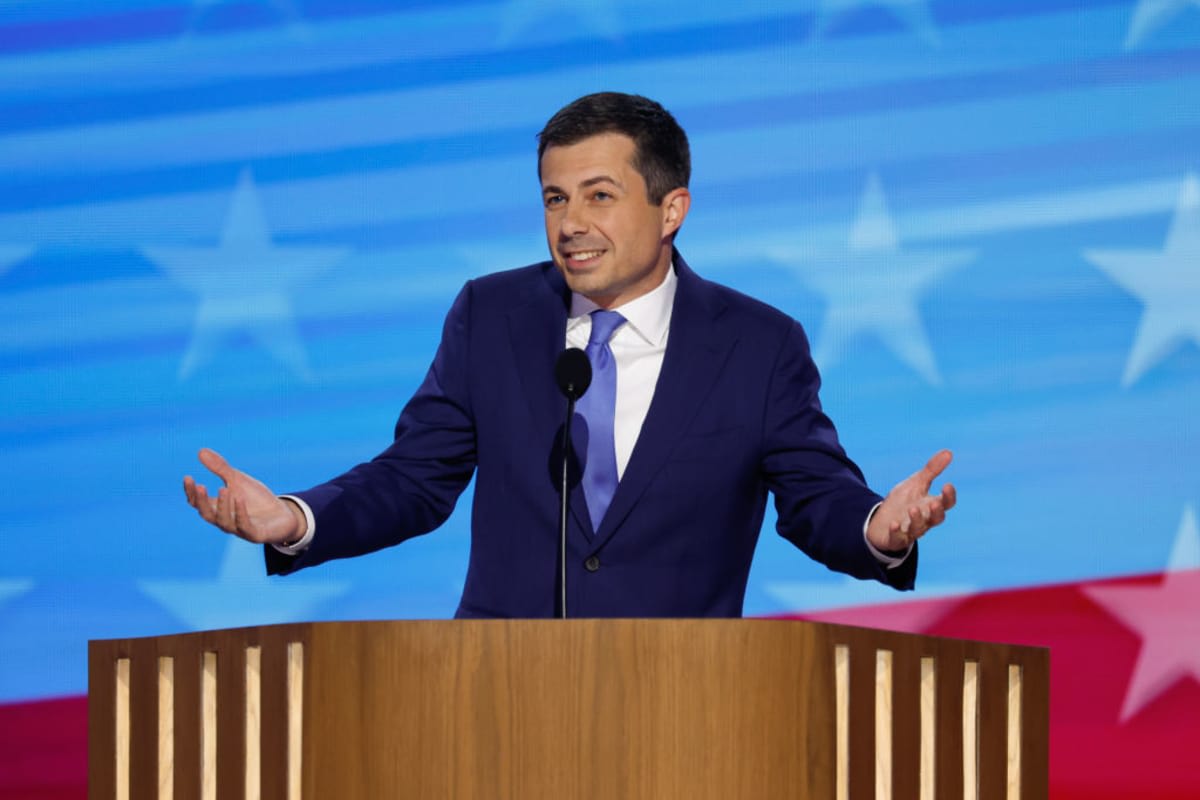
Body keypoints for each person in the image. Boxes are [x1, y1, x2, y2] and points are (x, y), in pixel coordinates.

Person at [183, 92, 956, 618]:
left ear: (671, 209)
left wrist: (878, 530)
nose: (570, 223)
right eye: (554, 198)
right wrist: (293, 518)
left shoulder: (756, 345)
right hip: (494, 701)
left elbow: (816, 497)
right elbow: (414, 479)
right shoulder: (492, 315)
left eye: (599, 195)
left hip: (688, 713)